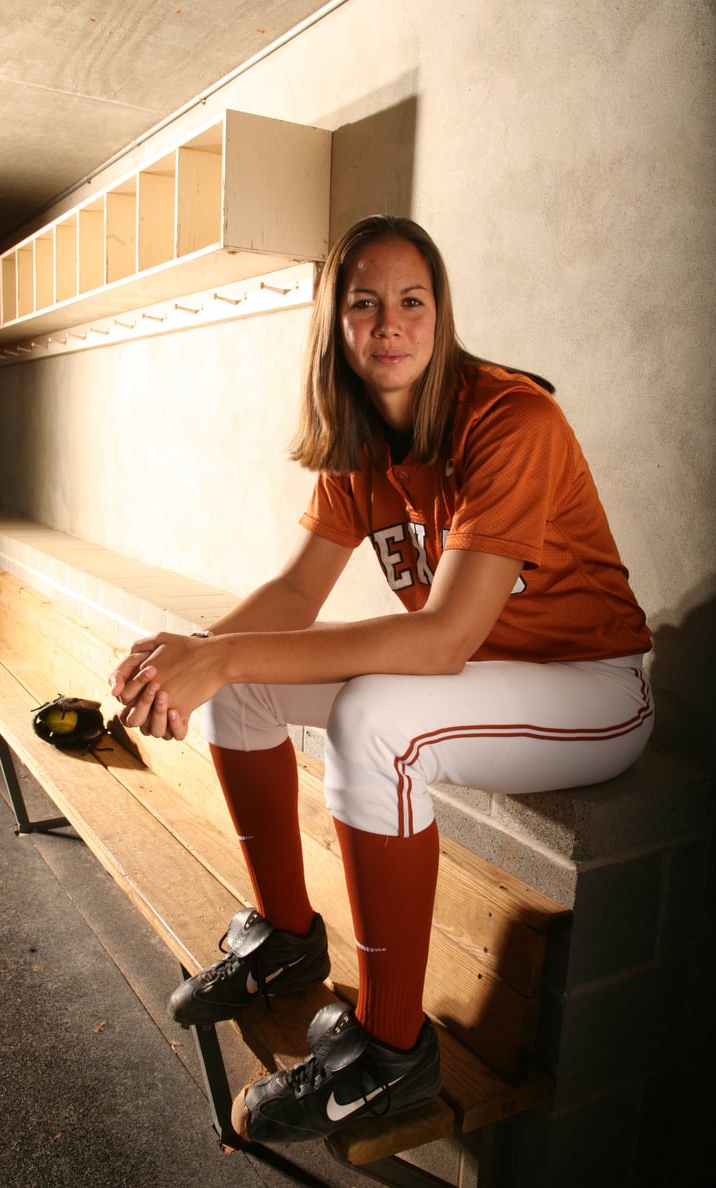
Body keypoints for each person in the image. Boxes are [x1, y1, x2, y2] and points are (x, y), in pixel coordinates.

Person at [109, 215, 653, 1145]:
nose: (390, 323)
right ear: (337, 325)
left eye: (413, 302)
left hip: (588, 685)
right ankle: (285, 938)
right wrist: (193, 653)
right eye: (366, 303)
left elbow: (440, 642)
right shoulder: (360, 441)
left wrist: (223, 653)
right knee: (241, 690)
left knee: (375, 716)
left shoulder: (511, 419)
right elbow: (294, 590)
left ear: (441, 318)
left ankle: (391, 1055)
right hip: (480, 673)